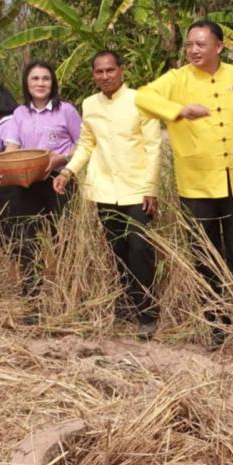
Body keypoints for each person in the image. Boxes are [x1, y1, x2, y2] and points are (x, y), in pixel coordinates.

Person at [136, 20, 233, 343]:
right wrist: (179, 110)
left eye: (201, 44)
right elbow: (142, 97)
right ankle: (217, 325)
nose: (193, 50)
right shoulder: (177, 78)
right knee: (206, 257)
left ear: (219, 47)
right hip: (196, 185)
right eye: (189, 45)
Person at [55, 51, 162, 337]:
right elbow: (87, 144)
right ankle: (128, 305)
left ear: (121, 71)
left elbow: (153, 147)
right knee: (118, 249)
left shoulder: (141, 100)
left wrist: (151, 187)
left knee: (140, 248)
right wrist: (68, 172)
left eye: (110, 70)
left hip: (137, 190)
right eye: (99, 72)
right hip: (103, 190)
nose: (105, 76)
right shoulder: (89, 104)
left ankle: (148, 313)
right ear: (94, 75)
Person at [0, 61, 82, 307]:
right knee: (28, 239)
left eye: (45, 78)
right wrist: (4, 164)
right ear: (27, 83)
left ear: (53, 83)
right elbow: (12, 148)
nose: (40, 83)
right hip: (27, 182)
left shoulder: (66, 110)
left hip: (61, 181)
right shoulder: (18, 114)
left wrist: (61, 158)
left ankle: (66, 293)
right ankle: (33, 295)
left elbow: (83, 145)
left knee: (64, 237)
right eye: (35, 79)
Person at [0, 84, 40, 319]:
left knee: (19, 239)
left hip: (7, 187)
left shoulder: (11, 124)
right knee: (8, 239)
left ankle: (33, 292)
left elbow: (6, 156)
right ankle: (27, 287)